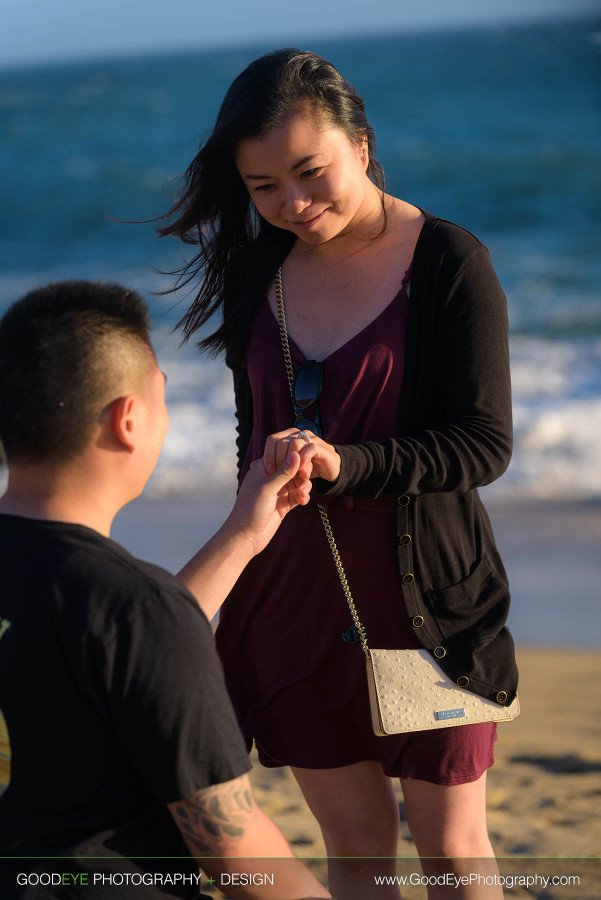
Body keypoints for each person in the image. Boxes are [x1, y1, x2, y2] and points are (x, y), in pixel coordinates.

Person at [160, 49, 518, 899]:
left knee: (452, 850)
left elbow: (482, 444)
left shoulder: (446, 262)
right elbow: (257, 443)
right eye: (263, 188)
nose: (293, 203)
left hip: (428, 596)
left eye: (310, 172)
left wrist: (346, 464)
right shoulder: (258, 272)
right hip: (290, 601)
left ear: (360, 143)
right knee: (354, 848)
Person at [0, 280, 331, 900]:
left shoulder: (120, 609)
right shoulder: (130, 607)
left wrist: (243, 533)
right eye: (162, 400)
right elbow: (231, 846)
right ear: (128, 421)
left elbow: (122, 645)